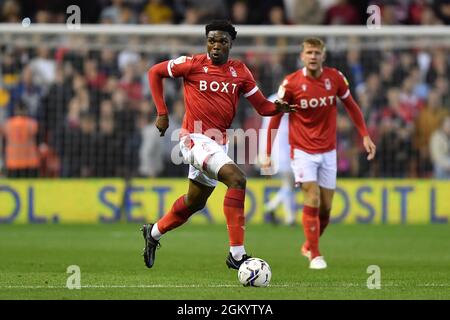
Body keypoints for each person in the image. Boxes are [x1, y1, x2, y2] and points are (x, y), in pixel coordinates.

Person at [143, 20, 297, 270]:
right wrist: (162, 112)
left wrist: (277, 107)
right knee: (237, 179)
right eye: (211, 40)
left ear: (230, 44)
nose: (216, 45)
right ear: (206, 42)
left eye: (222, 41)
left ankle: (153, 233)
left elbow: (262, 107)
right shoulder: (191, 64)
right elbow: (154, 72)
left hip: (218, 144)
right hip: (193, 139)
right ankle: (237, 256)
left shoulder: (241, 72)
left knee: (194, 203)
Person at [265, 37, 376, 269]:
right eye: (309, 52)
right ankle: (315, 254)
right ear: (302, 56)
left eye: (317, 52)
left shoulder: (335, 78)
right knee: (312, 197)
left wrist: (364, 134)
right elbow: (275, 118)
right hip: (302, 150)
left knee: (325, 208)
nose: (313, 56)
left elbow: (352, 107)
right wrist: (267, 151)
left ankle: (308, 244)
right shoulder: (291, 83)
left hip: (328, 151)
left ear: (323, 56)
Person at [259, 93, 296, 226]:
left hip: (276, 147)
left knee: (288, 183)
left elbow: (264, 128)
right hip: (283, 148)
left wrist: (264, 152)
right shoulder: (286, 101)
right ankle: (272, 206)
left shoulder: (271, 99)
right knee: (291, 182)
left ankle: (289, 217)